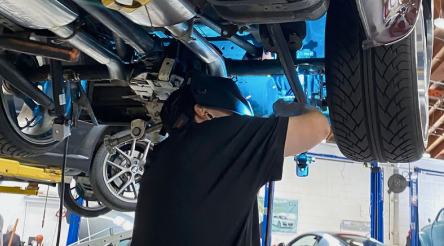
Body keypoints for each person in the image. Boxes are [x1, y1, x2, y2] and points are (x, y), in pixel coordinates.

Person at [131, 72, 330, 246]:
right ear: (203, 111)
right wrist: (293, 110)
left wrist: (288, 109)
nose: (239, 123)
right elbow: (318, 127)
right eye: (235, 116)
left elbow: (319, 127)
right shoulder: (210, 141)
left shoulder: (168, 156)